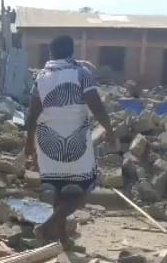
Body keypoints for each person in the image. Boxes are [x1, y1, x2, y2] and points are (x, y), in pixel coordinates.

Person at [25, 35, 118, 248]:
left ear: (51, 53)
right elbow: (96, 105)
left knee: (59, 191)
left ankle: (63, 241)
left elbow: (32, 113)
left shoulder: (41, 77)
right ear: (71, 52)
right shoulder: (81, 74)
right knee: (82, 192)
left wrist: (28, 142)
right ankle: (46, 227)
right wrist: (109, 130)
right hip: (76, 143)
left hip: (48, 144)